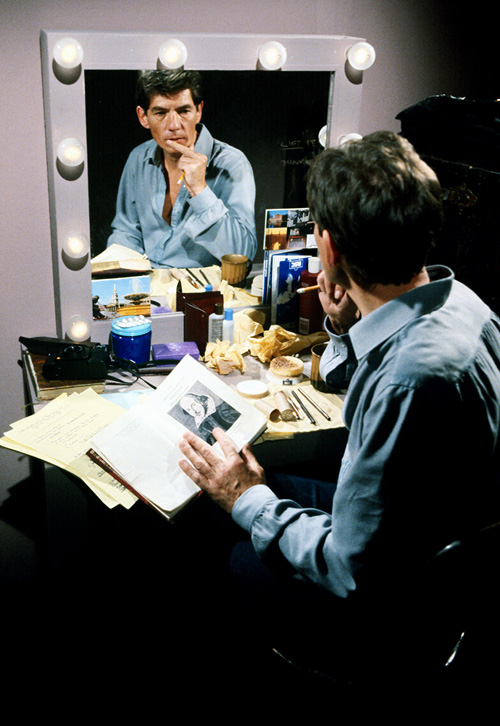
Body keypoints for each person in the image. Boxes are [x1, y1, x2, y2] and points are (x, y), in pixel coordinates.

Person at [177, 131, 500, 672]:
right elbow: (368, 353)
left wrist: (243, 498)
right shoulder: (463, 300)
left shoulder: (407, 382)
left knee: (228, 540)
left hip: (394, 598)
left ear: (328, 248)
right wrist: (340, 320)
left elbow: (348, 568)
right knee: (262, 492)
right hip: (431, 534)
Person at [107, 70, 257, 268]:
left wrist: (200, 190)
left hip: (202, 292)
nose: (174, 125)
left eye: (183, 111)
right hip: (146, 286)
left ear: (198, 111)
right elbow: (126, 232)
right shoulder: (138, 158)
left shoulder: (232, 164)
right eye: (161, 113)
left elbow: (243, 256)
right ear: (143, 117)